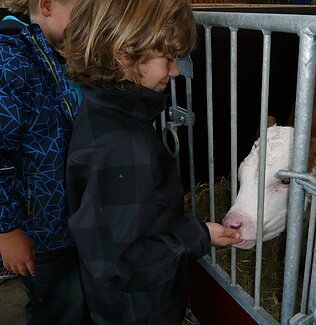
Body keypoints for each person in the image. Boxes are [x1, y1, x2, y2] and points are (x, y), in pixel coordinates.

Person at [61, 0, 243, 324]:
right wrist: (196, 235)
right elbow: (118, 265)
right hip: (141, 311)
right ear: (125, 55)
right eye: (169, 58)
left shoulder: (104, 111)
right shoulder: (122, 144)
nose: (174, 72)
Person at [0, 0, 91, 324]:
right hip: (41, 230)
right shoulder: (9, 58)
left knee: (73, 304)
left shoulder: (60, 52)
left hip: (69, 219)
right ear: (48, 5)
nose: (91, 24)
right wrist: (7, 230)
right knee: (58, 309)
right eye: (85, 13)